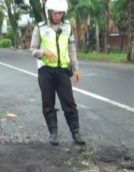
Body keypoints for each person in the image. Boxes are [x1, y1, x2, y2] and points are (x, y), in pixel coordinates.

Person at [30, 0, 85, 146]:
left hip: (62, 71)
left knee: (69, 102)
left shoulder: (68, 27)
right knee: (48, 103)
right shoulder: (40, 28)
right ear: (49, 12)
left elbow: (72, 49)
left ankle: (76, 133)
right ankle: (53, 134)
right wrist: (43, 52)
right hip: (46, 71)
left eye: (60, 13)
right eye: (55, 13)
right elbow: (32, 50)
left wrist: (76, 68)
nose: (58, 16)